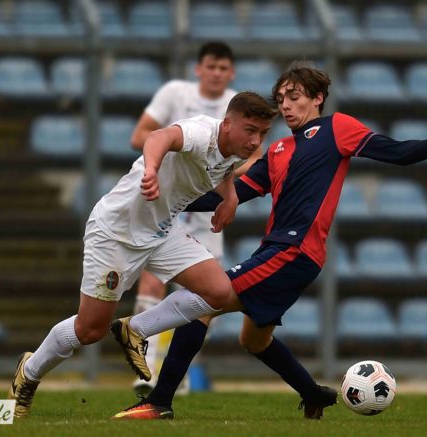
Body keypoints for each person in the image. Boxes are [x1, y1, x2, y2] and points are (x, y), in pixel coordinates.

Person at [110, 63, 427, 420]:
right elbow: (229, 195)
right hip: (279, 252)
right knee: (254, 341)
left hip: (294, 251)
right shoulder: (277, 151)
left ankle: (158, 398)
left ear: (318, 98)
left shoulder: (337, 128)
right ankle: (313, 393)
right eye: (281, 99)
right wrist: (159, 198)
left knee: (205, 301)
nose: (286, 105)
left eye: (295, 96)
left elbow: (398, 153)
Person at [8, 91, 277, 417]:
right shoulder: (201, 133)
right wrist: (151, 170)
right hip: (116, 234)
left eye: (262, 132)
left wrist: (230, 198)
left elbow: (221, 171)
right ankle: (29, 371)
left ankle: (135, 329)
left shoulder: (234, 149)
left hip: (162, 233)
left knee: (218, 292)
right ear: (228, 123)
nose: (256, 141)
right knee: (90, 329)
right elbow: (158, 137)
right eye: (250, 130)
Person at [130, 41, 262, 394]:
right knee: (151, 284)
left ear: (231, 73)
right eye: (211, 66)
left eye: (223, 68)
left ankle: (175, 370)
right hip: (170, 201)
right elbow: (141, 135)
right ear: (198, 69)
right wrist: (183, 151)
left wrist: (218, 171)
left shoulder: (239, 104)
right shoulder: (176, 93)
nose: (216, 73)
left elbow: (255, 157)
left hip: (206, 209)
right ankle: (146, 369)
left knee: (205, 296)